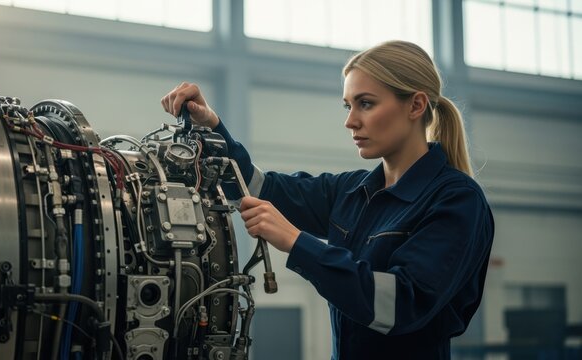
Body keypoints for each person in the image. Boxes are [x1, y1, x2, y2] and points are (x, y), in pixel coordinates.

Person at [161, 40, 494, 360]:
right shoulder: (352, 191)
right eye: (348, 106)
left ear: (416, 105)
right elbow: (261, 188)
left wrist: (296, 242)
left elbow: (400, 305)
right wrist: (213, 127)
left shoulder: (456, 200)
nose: (350, 121)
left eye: (366, 103)